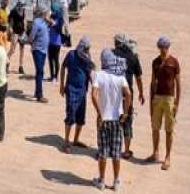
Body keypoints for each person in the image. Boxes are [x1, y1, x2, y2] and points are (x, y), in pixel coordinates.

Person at [91, 49, 132, 191]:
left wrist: (99, 112)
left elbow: (93, 94)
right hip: (117, 119)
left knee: (102, 152)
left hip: (103, 120)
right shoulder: (120, 76)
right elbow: (128, 94)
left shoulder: (99, 75)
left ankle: (101, 181)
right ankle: (116, 182)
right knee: (116, 152)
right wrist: (125, 113)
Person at [146, 35, 181, 171]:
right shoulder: (155, 62)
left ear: (168, 47)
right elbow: (152, 82)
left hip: (169, 99)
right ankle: (155, 153)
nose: (162, 50)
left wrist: (177, 102)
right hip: (157, 98)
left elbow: (178, 84)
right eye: (160, 47)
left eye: (164, 47)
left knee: (169, 130)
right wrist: (150, 101)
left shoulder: (174, 62)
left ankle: (167, 157)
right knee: (155, 128)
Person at [59, 36, 95, 153]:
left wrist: (94, 84)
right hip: (71, 90)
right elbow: (63, 67)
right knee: (70, 116)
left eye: (88, 49)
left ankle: (76, 139)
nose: (87, 51)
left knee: (81, 118)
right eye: (86, 49)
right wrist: (62, 85)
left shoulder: (87, 58)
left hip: (83, 91)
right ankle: (66, 142)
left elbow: (90, 73)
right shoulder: (71, 55)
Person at [112, 34, 145, 160]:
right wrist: (141, 93)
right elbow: (139, 78)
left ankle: (113, 148)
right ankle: (126, 151)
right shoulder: (133, 57)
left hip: (114, 92)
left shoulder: (111, 54)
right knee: (127, 121)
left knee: (113, 120)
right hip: (127, 94)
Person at [28, 7, 50, 103]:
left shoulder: (43, 21)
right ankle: (39, 95)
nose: (46, 14)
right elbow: (32, 36)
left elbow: (53, 24)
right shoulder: (37, 22)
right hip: (37, 50)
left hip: (43, 50)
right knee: (40, 71)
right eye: (44, 12)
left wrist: (47, 19)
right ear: (40, 13)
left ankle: (37, 93)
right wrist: (31, 42)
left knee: (39, 72)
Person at [8, 0, 27, 74]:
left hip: (21, 32)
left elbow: (24, 19)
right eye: (21, 5)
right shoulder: (13, 11)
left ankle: (21, 66)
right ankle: (7, 63)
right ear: (18, 4)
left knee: (22, 50)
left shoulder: (23, 10)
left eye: (23, 5)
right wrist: (11, 30)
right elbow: (11, 22)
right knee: (12, 49)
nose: (23, 6)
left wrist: (25, 30)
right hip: (15, 32)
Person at [47, 4, 64, 82]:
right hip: (50, 41)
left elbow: (59, 29)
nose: (53, 12)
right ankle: (51, 76)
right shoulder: (51, 16)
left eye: (54, 10)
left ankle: (56, 76)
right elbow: (48, 26)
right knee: (50, 59)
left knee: (56, 59)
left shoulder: (60, 18)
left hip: (57, 42)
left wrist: (53, 23)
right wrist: (49, 22)